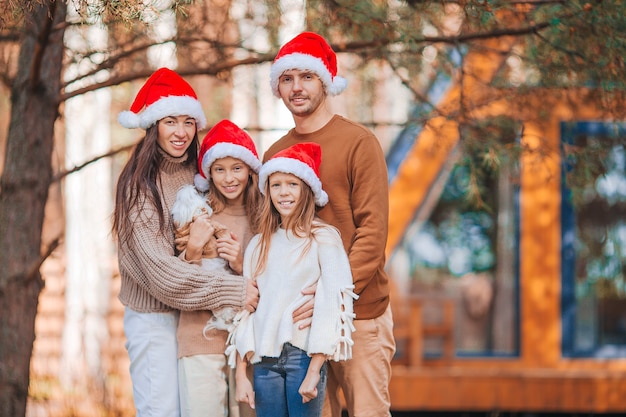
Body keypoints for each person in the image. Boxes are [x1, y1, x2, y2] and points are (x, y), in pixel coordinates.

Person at [112, 68, 258, 417]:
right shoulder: (139, 186)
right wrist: (235, 290)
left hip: (197, 316)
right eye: (170, 122)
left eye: (189, 122)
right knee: (162, 412)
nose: (180, 132)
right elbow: (163, 276)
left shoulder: (200, 168)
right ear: (153, 126)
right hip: (156, 320)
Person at [263, 32, 396, 417]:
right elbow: (270, 234)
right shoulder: (276, 154)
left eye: (306, 76)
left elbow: (372, 234)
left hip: (360, 316)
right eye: (287, 79)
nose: (296, 87)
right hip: (300, 325)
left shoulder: (359, 143)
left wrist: (330, 297)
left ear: (325, 81)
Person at [232, 142, 357, 417]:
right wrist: (242, 373)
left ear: (307, 190)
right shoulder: (258, 244)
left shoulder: (323, 238)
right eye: (276, 185)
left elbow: (334, 305)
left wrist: (315, 369)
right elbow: (246, 311)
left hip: (302, 356)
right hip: (264, 361)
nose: (284, 192)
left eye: (292, 184)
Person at [172, 119, 262, 417]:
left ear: (250, 170)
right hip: (200, 335)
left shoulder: (265, 216)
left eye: (237, 168)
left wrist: (239, 263)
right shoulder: (196, 213)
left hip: (250, 345)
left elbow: (275, 282)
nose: (228, 178)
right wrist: (194, 248)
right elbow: (177, 282)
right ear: (208, 173)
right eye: (219, 169)